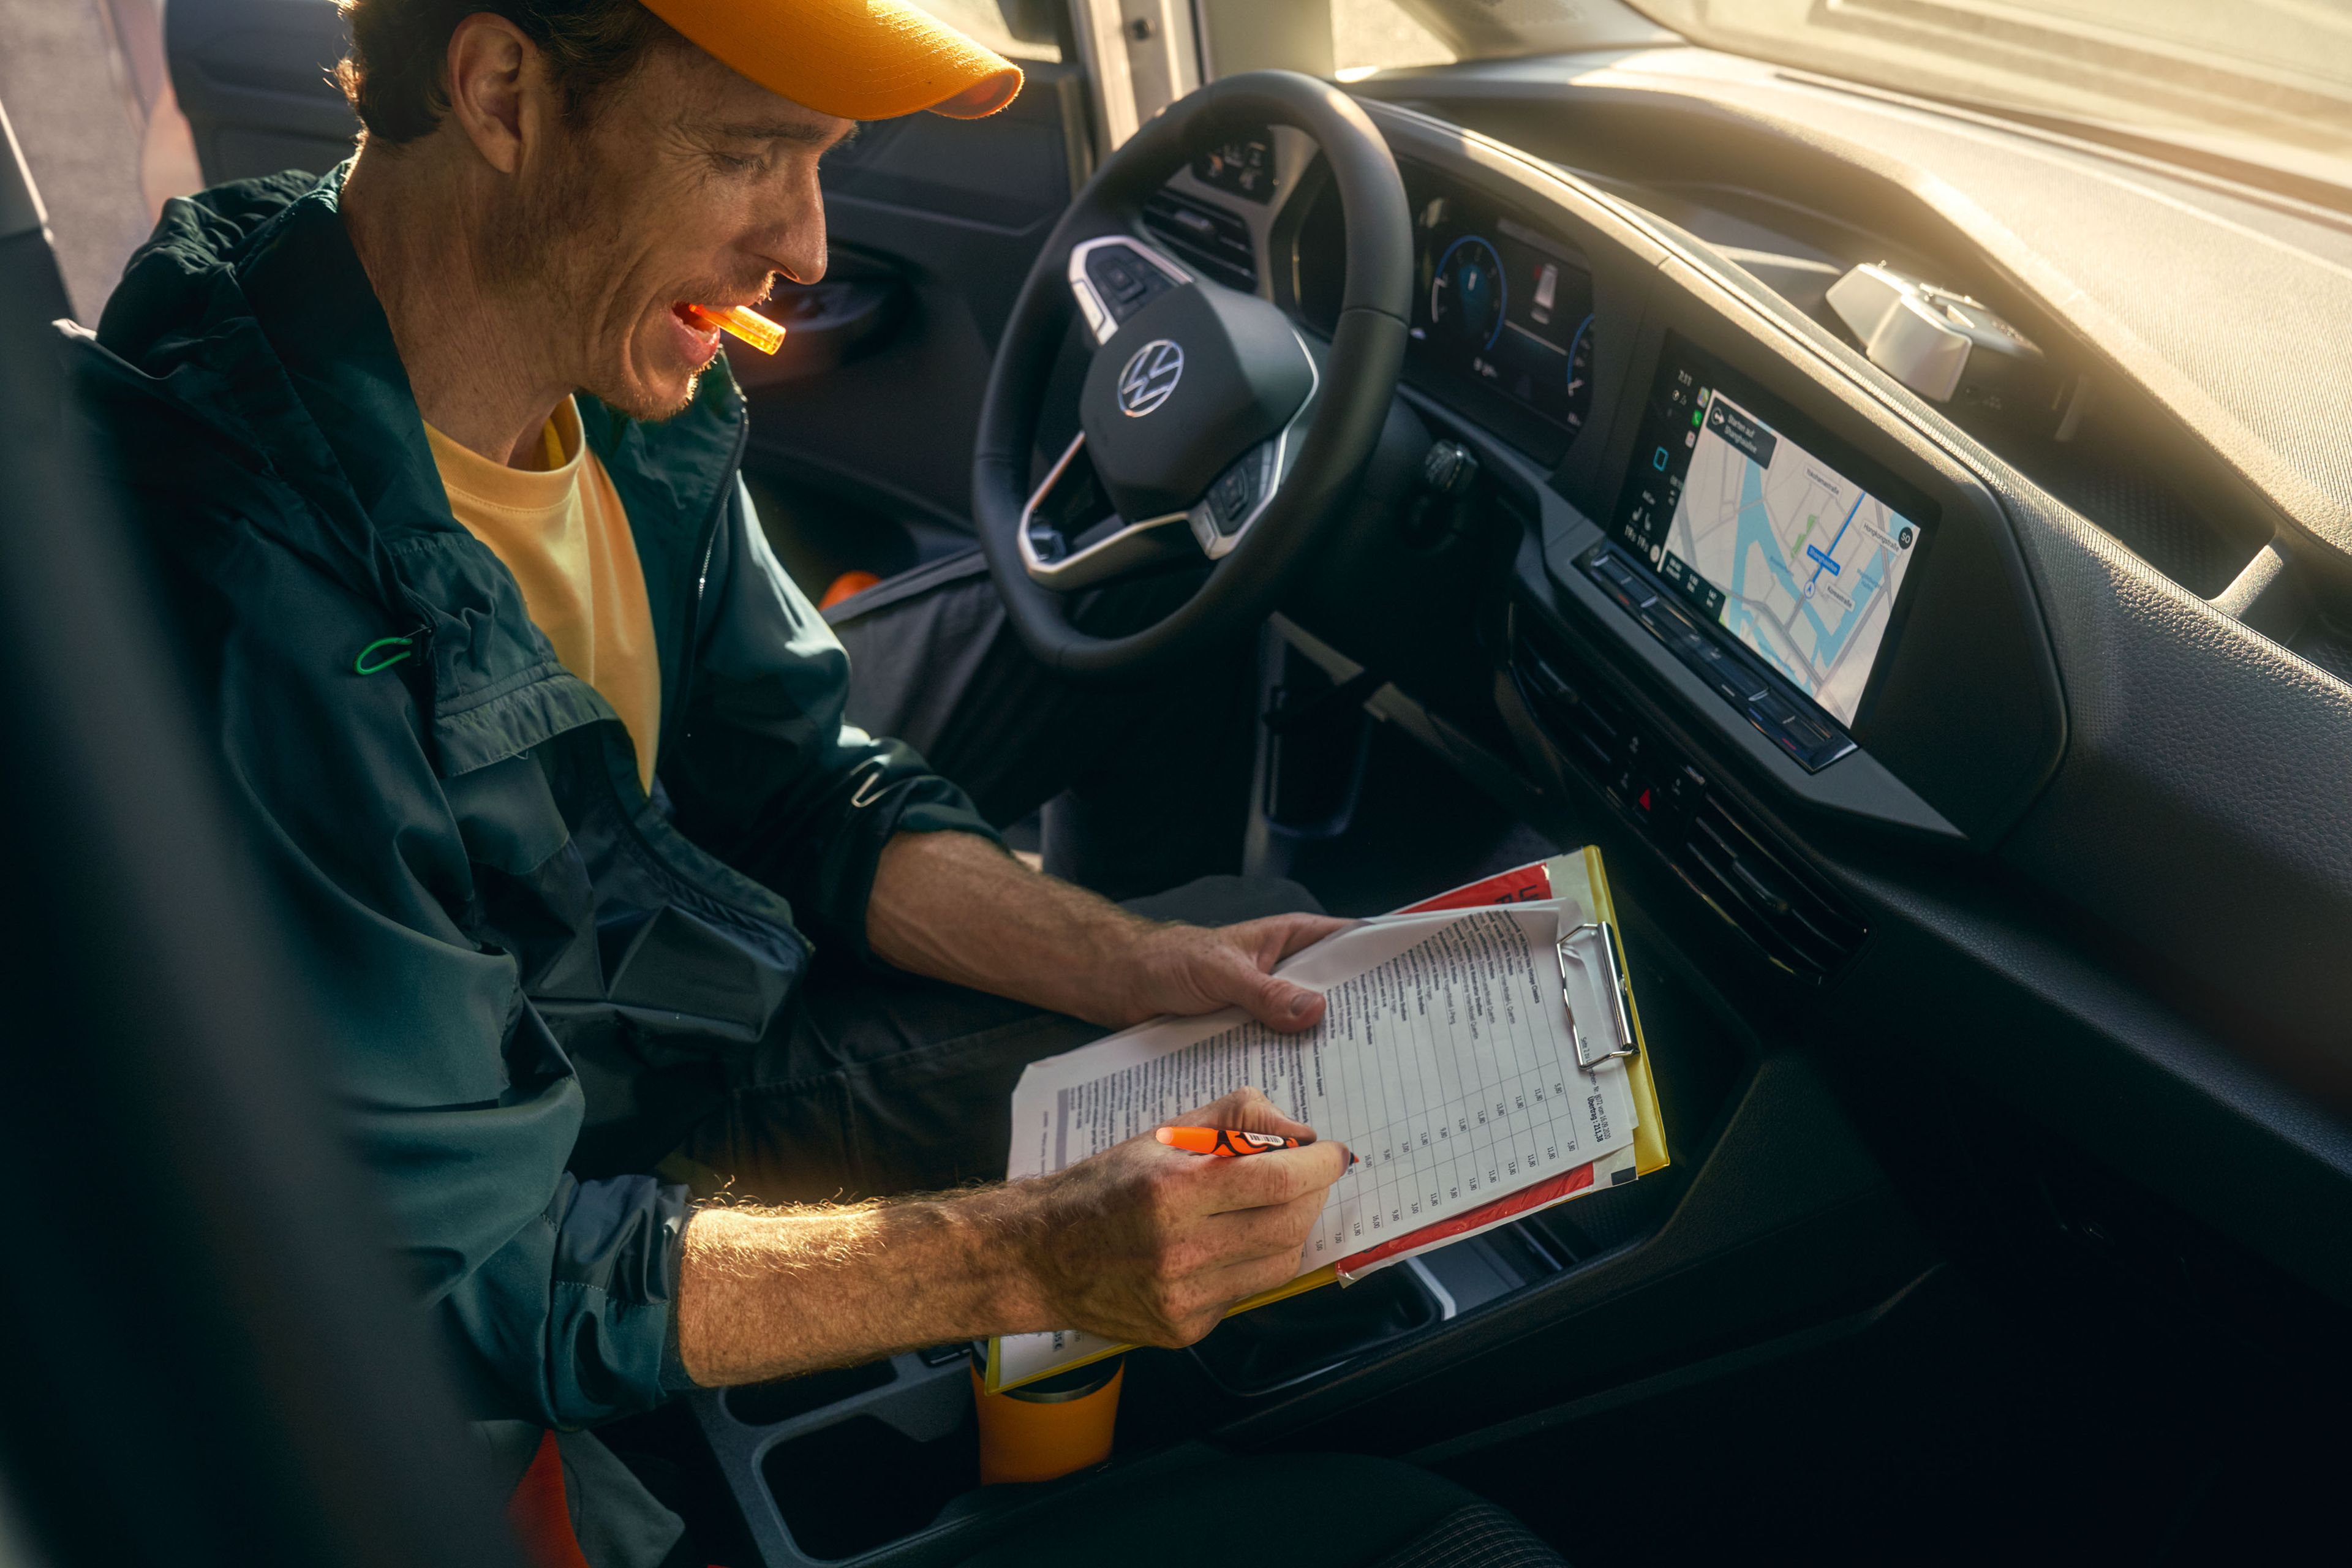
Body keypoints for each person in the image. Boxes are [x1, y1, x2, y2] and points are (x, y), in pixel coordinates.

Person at [64, 0, 1358, 1559]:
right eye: (749, 153)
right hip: (580, 1125)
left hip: (664, 902)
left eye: (820, 162)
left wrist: (1131, 958)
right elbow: (475, 1271)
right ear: (502, 90)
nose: (806, 249)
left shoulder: (596, 359)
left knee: (1192, 906)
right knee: (1251, 1107)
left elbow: (803, 780)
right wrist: (1032, 1254)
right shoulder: (259, 609)